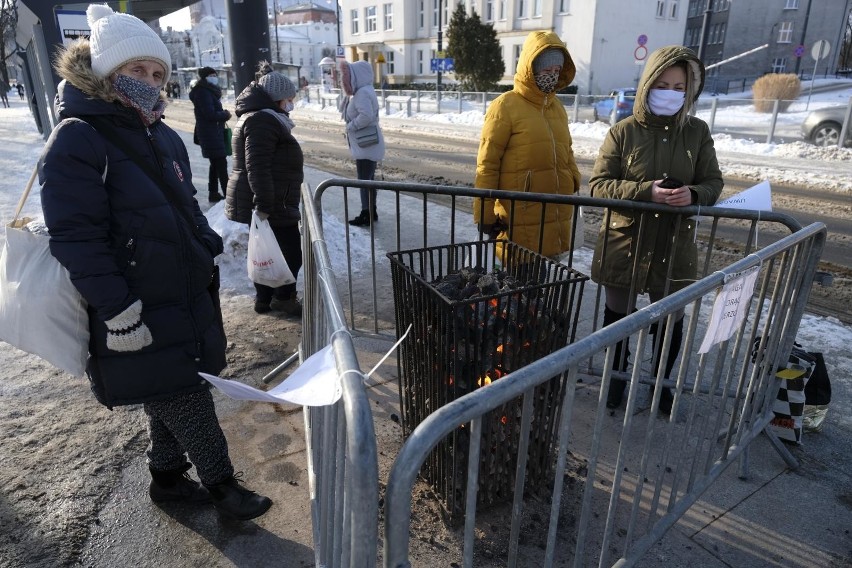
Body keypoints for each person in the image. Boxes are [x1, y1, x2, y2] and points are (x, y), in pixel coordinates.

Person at [38, 3, 272, 521]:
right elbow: (76, 236)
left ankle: (166, 480)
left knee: (165, 385)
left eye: (157, 73)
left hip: (181, 290)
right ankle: (222, 487)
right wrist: (118, 311)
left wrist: (206, 242)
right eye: (134, 70)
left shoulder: (159, 131)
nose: (149, 80)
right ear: (104, 72)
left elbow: (184, 204)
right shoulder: (80, 136)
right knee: (186, 393)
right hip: (133, 300)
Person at [588, 45, 723, 414]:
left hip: (674, 243)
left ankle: (661, 384)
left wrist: (692, 194)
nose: (672, 93)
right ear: (648, 84)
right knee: (619, 318)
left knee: (670, 320)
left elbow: (713, 183)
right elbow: (599, 185)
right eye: (664, 84)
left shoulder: (697, 132)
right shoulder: (623, 131)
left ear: (690, 91)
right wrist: (645, 190)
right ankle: (615, 380)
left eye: (680, 87)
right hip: (626, 241)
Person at [473, 31, 581, 260]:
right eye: (546, 70)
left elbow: (567, 150)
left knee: (546, 290)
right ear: (530, 68)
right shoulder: (505, 106)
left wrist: (573, 178)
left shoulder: (557, 108)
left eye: (556, 71)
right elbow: (487, 165)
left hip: (555, 217)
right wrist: (484, 214)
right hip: (519, 221)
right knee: (518, 289)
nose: (552, 76)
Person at [225, 62, 303, 317]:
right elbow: (257, 166)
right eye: (289, 99)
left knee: (268, 251)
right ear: (277, 98)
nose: (291, 103)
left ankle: (265, 298)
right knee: (289, 254)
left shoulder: (262, 117)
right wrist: (265, 205)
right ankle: (282, 298)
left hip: (272, 198)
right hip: (272, 201)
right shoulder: (262, 120)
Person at [339, 60, 385, 227]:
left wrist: (350, 126)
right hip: (368, 144)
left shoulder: (362, 94)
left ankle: (366, 213)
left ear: (356, 75)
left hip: (366, 145)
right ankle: (371, 211)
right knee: (369, 180)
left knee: (364, 181)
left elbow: (366, 116)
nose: (346, 79)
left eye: (348, 75)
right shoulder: (365, 90)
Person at [190, 66, 231, 203]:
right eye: (212, 75)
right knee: (221, 164)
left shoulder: (206, 91)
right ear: (205, 77)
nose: (215, 77)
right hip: (211, 134)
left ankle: (213, 193)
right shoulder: (203, 92)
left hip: (212, 133)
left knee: (215, 165)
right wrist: (225, 114)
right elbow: (210, 114)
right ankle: (229, 196)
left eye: (215, 74)